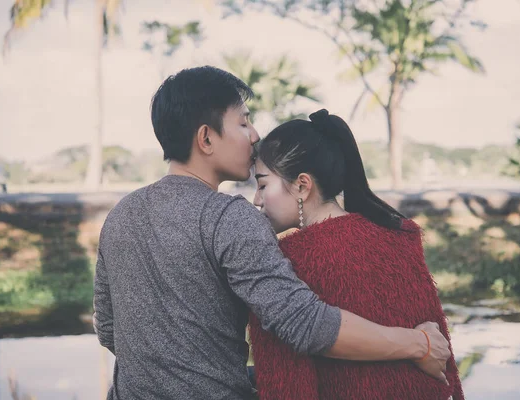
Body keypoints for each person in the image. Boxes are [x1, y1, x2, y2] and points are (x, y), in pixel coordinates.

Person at [93, 67, 451, 400]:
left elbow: (109, 330)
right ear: (206, 138)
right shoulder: (228, 217)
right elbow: (305, 324)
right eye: (244, 122)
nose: (255, 135)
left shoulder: (120, 215)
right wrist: (417, 343)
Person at [250, 109, 463, 400]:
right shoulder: (398, 236)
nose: (256, 200)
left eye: (262, 185)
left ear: (302, 185)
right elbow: (439, 353)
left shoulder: (285, 264)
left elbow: (286, 384)